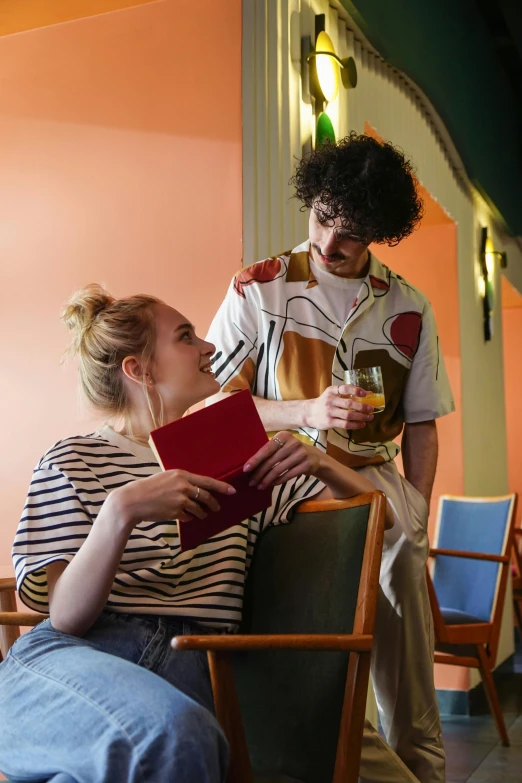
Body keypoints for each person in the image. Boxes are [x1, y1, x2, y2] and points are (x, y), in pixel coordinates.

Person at [0, 284, 396, 783]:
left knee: (154, 744)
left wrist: (321, 462)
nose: (209, 346)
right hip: (76, 660)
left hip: (193, 663)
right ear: (139, 370)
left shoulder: (236, 456)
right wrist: (120, 512)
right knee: (172, 733)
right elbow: (66, 618)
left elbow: (381, 518)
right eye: (186, 337)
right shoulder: (71, 461)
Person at [207, 133, 455, 783]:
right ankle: (340, 749)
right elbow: (210, 411)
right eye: (320, 219)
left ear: (378, 233)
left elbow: (424, 423)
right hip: (281, 470)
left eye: (349, 233)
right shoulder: (257, 291)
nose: (327, 243)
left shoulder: (408, 306)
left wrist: (419, 503)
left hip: (373, 470)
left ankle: (420, 763)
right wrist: (307, 411)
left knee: (401, 556)